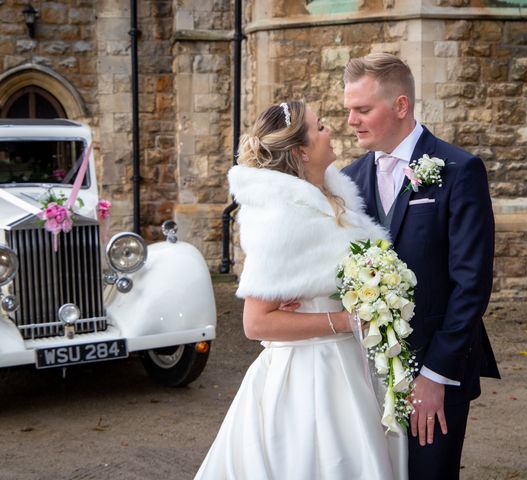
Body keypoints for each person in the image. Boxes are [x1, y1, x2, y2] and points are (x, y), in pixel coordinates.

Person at [194, 100, 408, 479]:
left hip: (351, 366)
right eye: (320, 127)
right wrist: (343, 320)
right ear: (301, 150)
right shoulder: (282, 218)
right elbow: (256, 323)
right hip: (309, 378)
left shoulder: (335, 197)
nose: (331, 130)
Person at [342, 53, 501, 479]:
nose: (351, 121)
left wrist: (435, 376)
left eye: (362, 110)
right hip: (364, 374)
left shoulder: (459, 170)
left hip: (435, 371)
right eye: (348, 111)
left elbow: (471, 284)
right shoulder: (347, 180)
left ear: (400, 106)